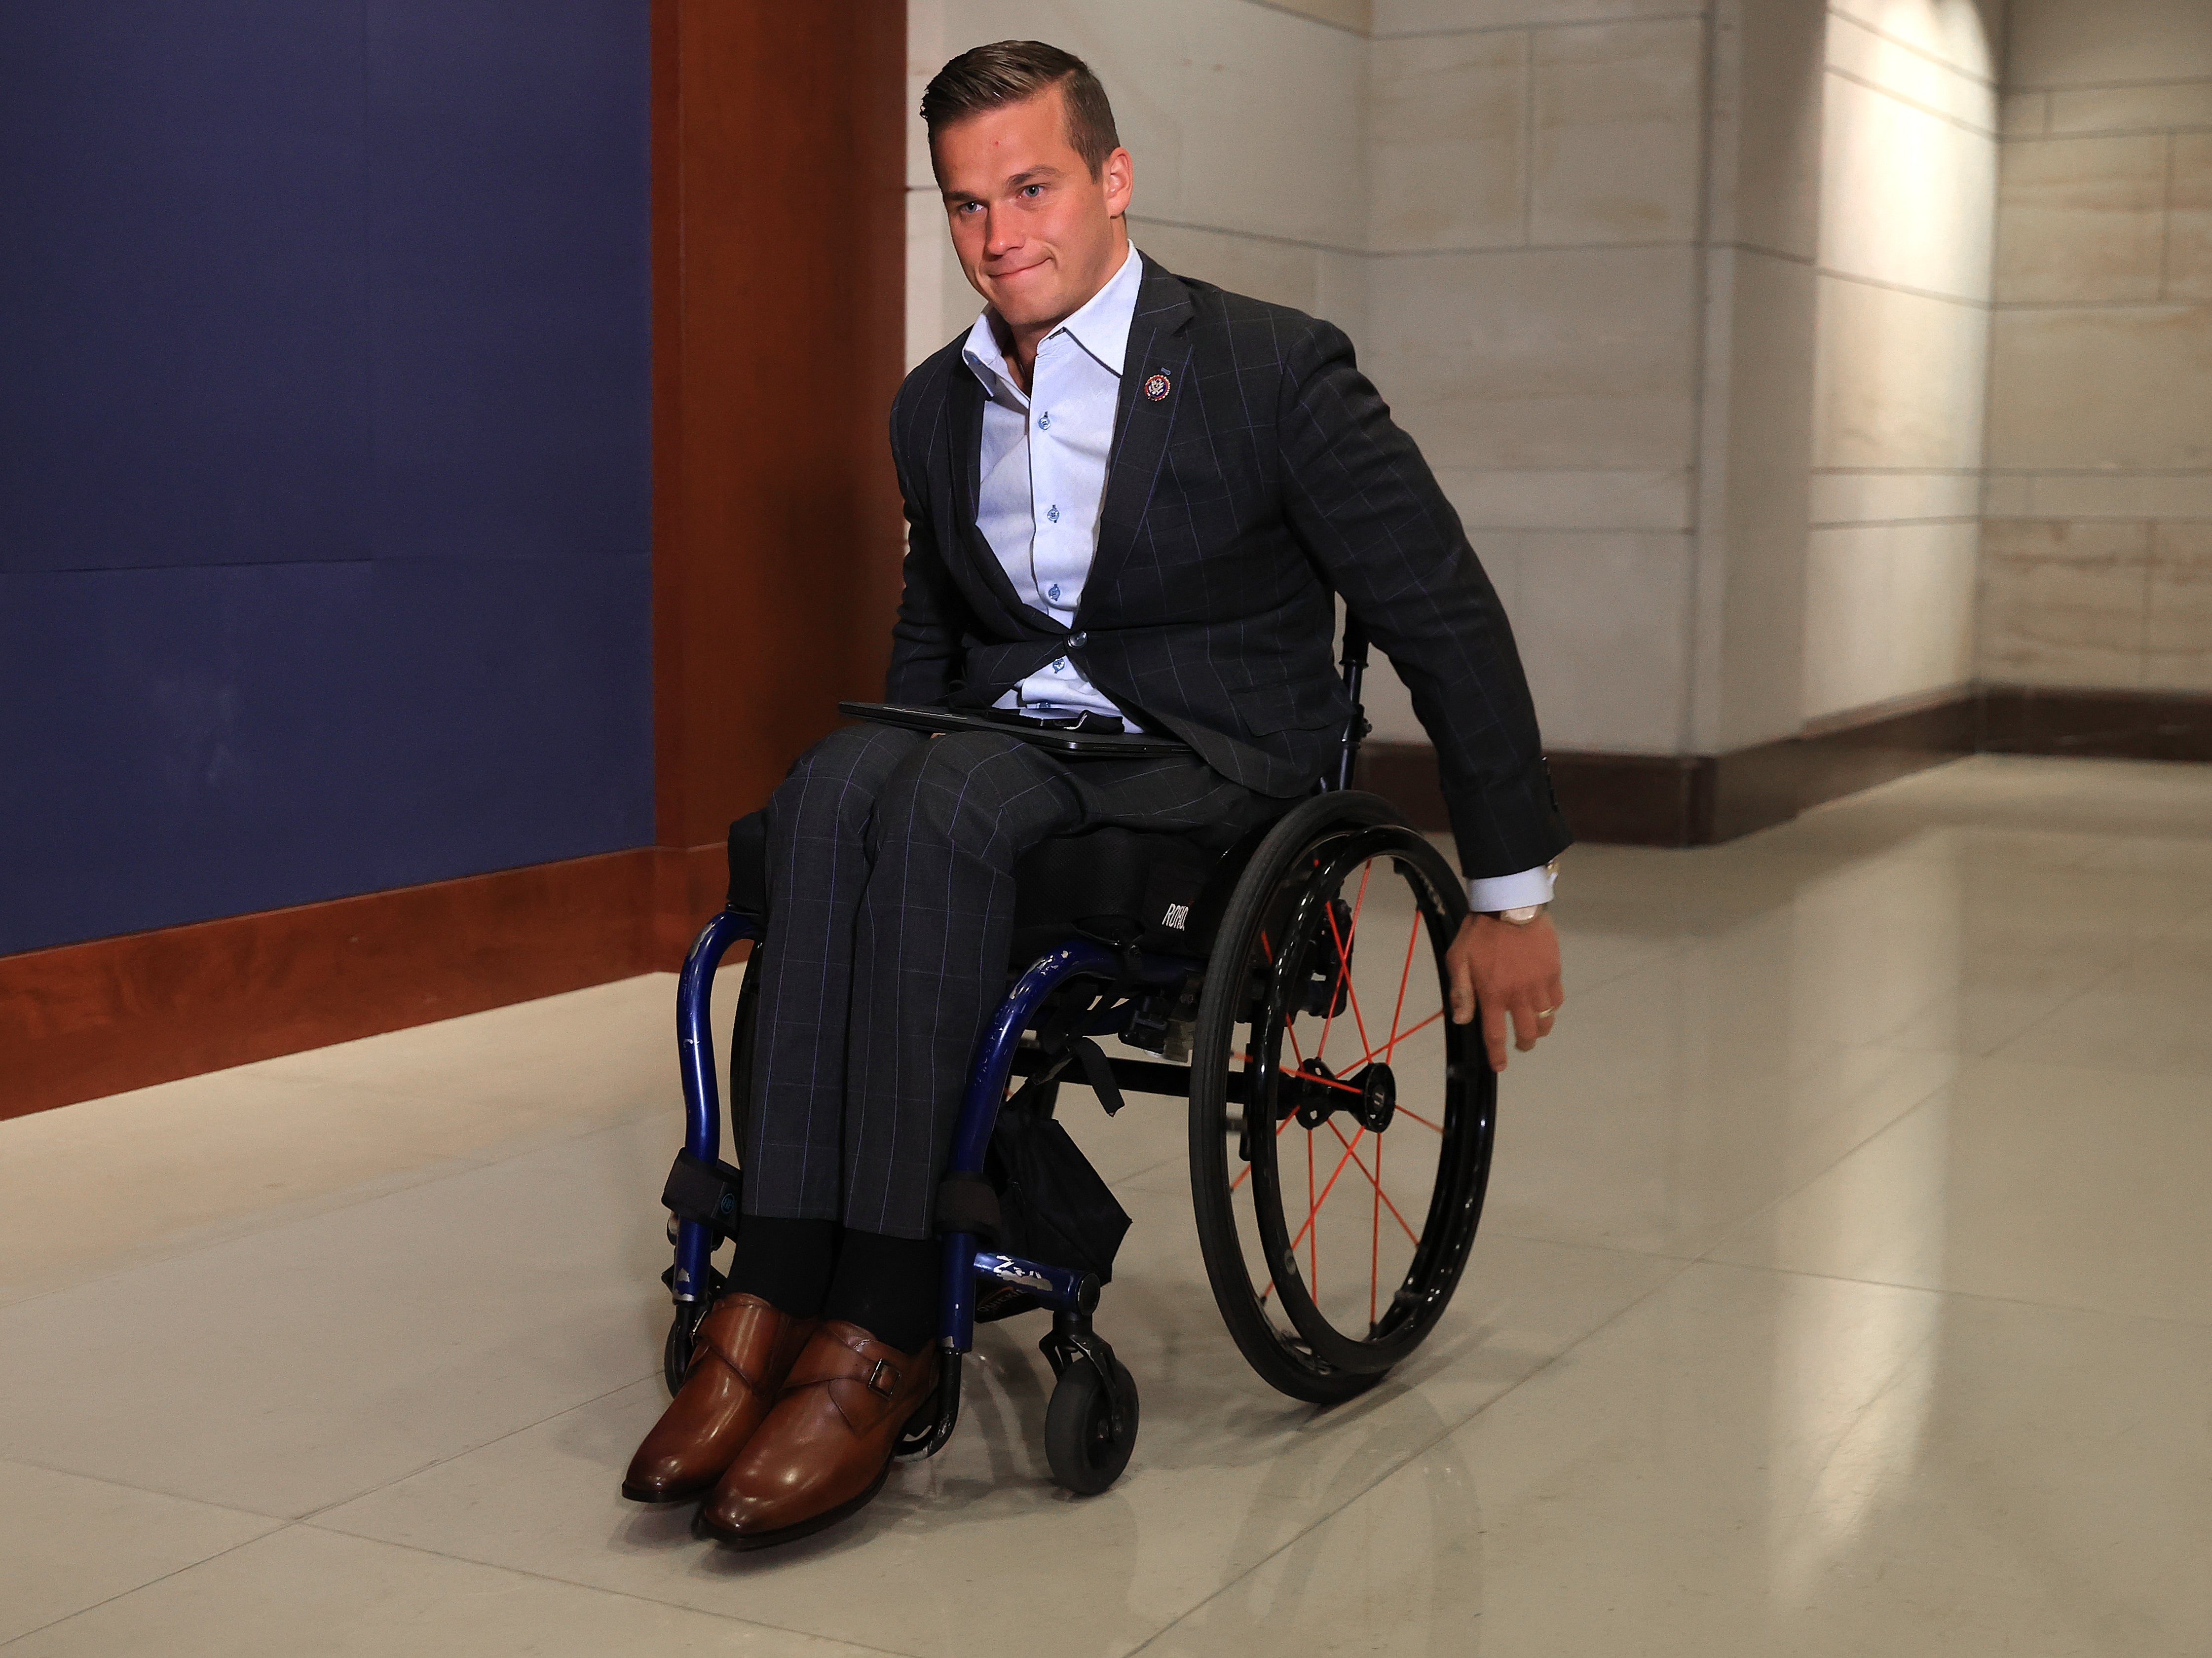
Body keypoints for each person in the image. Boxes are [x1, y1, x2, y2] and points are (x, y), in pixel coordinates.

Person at [624, 39, 1571, 1550]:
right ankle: (768, 1290)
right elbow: (934, 640)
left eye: (1032, 188)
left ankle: (883, 1330)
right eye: (964, 205)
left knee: (946, 809)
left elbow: (1441, 610)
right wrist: (885, 758)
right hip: (1013, 743)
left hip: (1206, 765)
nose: (999, 236)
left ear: (1112, 180)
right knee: (822, 795)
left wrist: (1511, 891)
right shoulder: (933, 407)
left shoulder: (1270, 368)